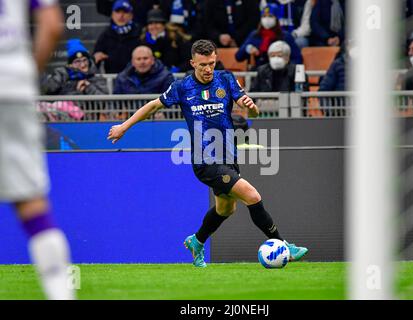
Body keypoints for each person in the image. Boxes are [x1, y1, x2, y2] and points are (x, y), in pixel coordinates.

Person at [107, 39, 308, 268]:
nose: (208, 69)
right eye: (202, 64)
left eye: (211, 63)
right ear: (193, 63)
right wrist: (124, 126)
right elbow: (153, 106)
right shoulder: (182, 87)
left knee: (226, 209)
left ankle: (197, 241)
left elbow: (256, 112)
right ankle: (283, 245)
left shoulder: (225, 78)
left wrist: (252, 107)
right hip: (205, 161)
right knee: (252, 195)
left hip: (228, 157)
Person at [0, 0, 74, 299]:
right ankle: (60, 294)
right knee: (31, 203)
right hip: (12, 85)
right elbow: (53, 23)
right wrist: (26, 75)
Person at [235, 3, 302, 68]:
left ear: (276, 18)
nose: (267, 19)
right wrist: (247, 48)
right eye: (264, 16)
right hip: (259, 73)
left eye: (270, 16)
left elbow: (297, 59)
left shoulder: (285, 36)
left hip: (281, 72)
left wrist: (286, 65)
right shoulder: (255, 35)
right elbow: (238, 57)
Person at [42, 39, 108, 95]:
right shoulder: (63, 76)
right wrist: (76, 90)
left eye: (85, 60)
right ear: (70, 65)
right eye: (77, 62)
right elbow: (49, 90)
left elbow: (105, 101)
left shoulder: (96, 78)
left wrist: (88, 87)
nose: (83, 65)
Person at [93, 0, 141, 73]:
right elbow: (94, 61)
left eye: (125, 12)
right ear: (112, 14)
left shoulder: (140, 34)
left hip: (136, 78)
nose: (121, 16)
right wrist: (95, 59)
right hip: (112, 79)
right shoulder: (105, 35)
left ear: (131, 15)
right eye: (118, 12)